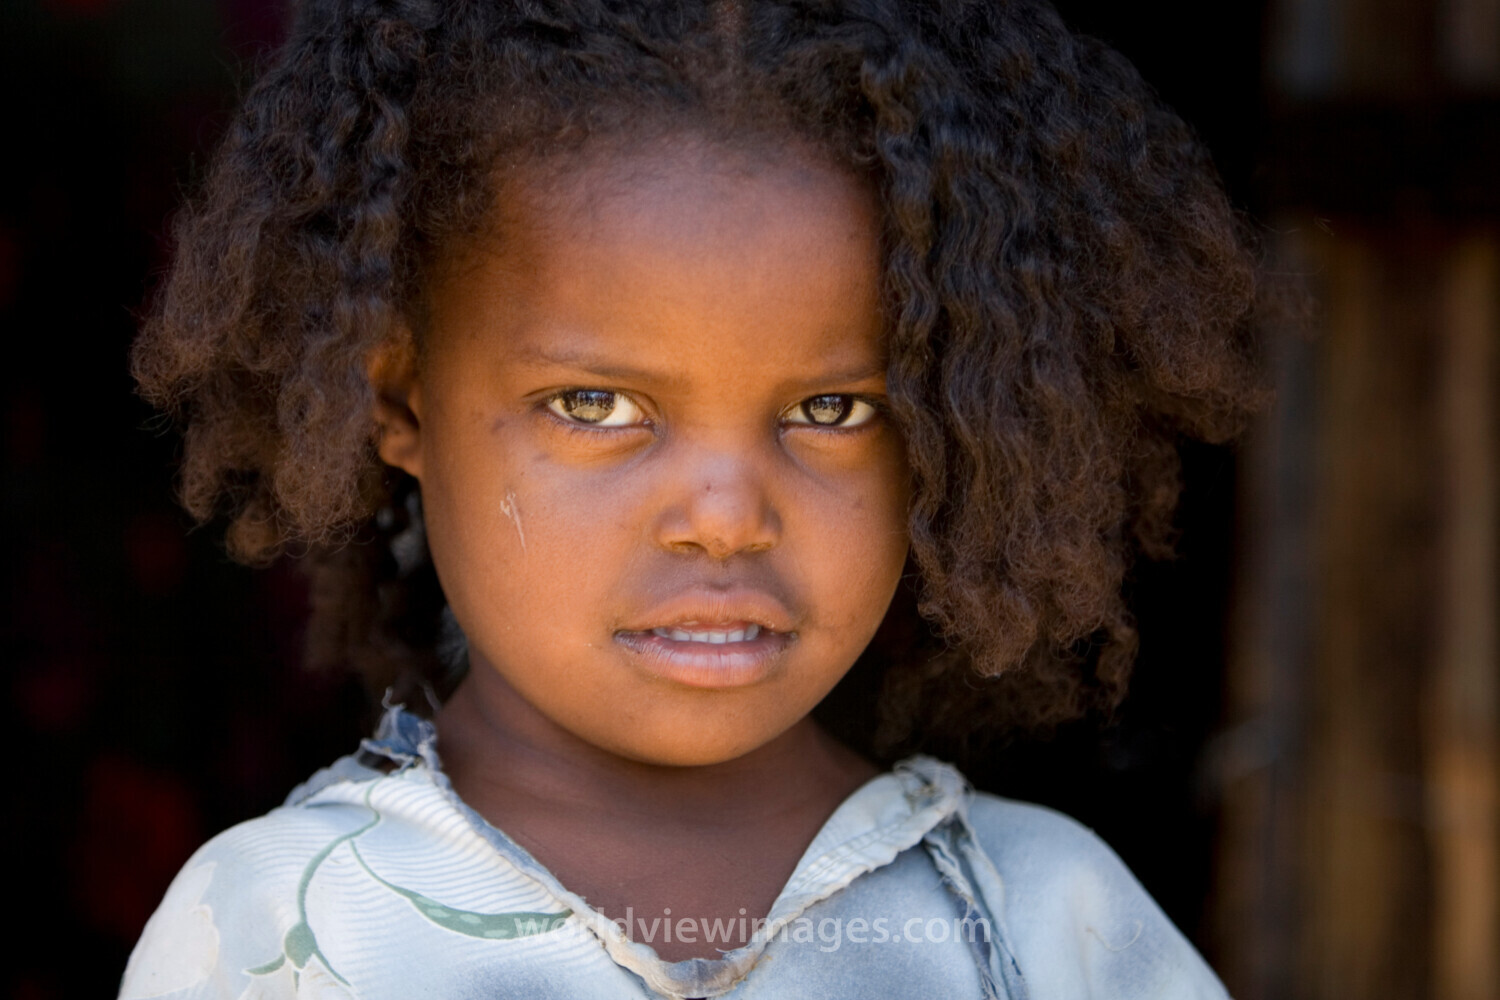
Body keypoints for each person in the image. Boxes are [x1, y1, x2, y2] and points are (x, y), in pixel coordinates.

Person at [119, 0, 1267, 997]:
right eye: (597, 405)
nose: (723, 516)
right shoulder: (279, 931)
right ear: (402, 399)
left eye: (831, 411)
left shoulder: (1045, 924)